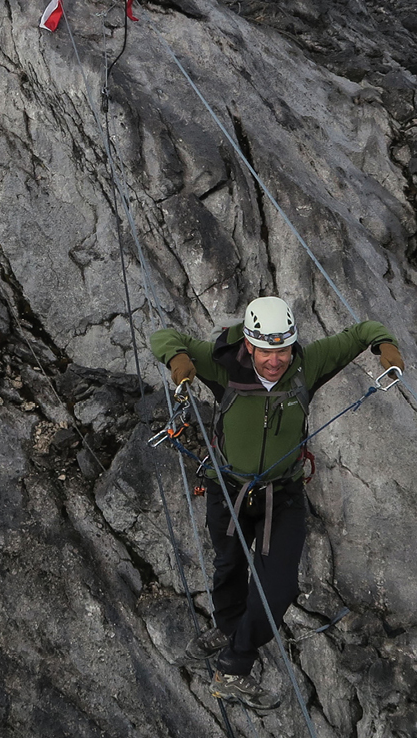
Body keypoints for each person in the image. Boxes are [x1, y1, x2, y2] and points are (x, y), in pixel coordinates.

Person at [149, 296, 403, 711]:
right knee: (229, 565)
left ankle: (235, 663)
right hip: (227, 487)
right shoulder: (222, 365)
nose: (275, 360)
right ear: (249, 344)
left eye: (282, 349)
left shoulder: (308, 364)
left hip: (281, 495)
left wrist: (384, 346)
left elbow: (361, 331)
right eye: (266, 350)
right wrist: (178, 360)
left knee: (279, 588)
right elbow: (164, 335)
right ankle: (228, 628)